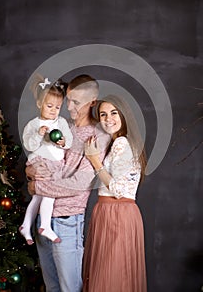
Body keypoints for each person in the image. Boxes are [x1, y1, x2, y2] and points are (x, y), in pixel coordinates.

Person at [26, 74, 110, 292]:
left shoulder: (98, 135)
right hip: (43, 220)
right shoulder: (63, 127)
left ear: (92, 101)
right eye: (69, 99)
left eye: (76, 102)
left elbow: (80, 183)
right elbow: (40, 155)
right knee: (52, 287)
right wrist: (30, 171)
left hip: (67, 220)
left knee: (69, 289)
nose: (69, 106)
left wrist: (37, 187)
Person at [83, 94, 147, 292]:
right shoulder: (118, 143)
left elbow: (118, 190)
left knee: (110, 276)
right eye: (103, 114)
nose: (108, 118)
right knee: (119, 277)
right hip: (116, 213)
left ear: (123, 115)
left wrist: (94, 160)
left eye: (113, 113)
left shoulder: (121, 144)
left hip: (115, 213)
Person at [20, 75, 73, 245]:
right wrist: (39, 134)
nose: (53, 110)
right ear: (39, 104)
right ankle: (44, 226)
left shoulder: (62, 122)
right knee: (49, 194)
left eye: (57, 107)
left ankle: (26, 225)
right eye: (49, 106)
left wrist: (64, 142)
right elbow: (29, 145)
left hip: (56, 165)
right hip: (41, 162)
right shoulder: (33, 124)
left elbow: (69, 141)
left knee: (38, 197)